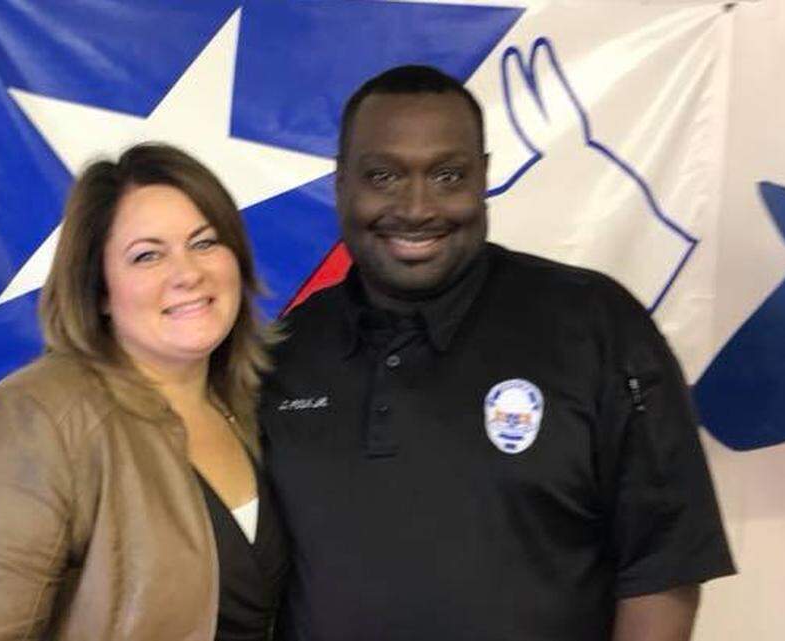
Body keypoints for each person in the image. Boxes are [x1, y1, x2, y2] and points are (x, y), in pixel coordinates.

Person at [259, 66, 735, 641]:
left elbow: (664, 565)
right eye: (383, 175)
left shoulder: (595, 325)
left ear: (483, 177)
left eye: (447, 175)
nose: (416, 207)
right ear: (341, 185)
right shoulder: (286, 349)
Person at [0, 143, 288, 640]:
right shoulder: (31, 421)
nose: (187, 273)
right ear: (98, 290)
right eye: (147, 255)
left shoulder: (250, 406)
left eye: (204, 243)